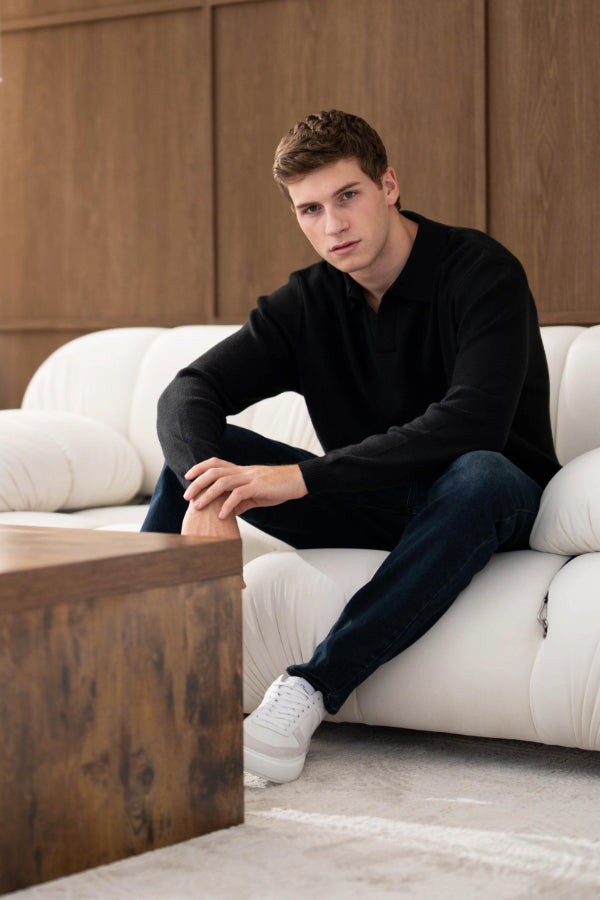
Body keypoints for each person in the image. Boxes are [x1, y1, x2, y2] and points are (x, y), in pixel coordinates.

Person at [142, 109, 560, 783]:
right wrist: (207, 491)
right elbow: (189, 391)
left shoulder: (481, 271)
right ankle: (140, 679)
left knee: (479, 471)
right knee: (199, 464)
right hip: (373, 502)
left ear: (388, 185)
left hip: (489, 502)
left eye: (347, 196)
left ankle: (309, 689)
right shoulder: (307, 302)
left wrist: (299, 479)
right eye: (310, 209)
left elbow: (473, 423)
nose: (332, 225)